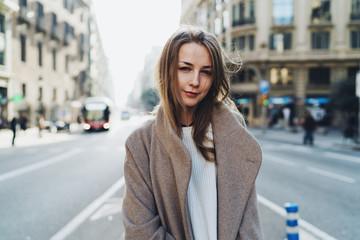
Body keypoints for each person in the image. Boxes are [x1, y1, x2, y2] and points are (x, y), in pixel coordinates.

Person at [122, 25, 263, 239]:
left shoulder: (232, 130)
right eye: (185, 68)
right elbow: (140, 232)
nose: (195, 81)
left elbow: (249, 222)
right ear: (167, 70)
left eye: (206, 72)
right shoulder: (141, 142)